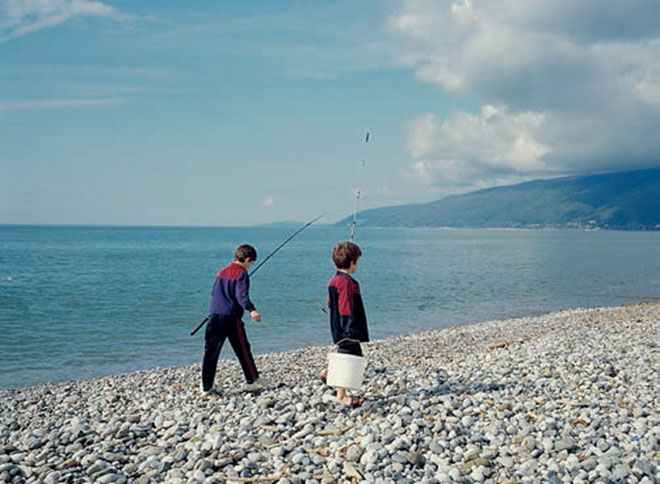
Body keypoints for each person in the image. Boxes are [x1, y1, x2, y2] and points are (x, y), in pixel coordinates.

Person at [201, 244, 266, 395]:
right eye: (251, 263)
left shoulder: (221, 272)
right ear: (248, 259)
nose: (250, 266)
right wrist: (252, 310)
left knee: (210, 353)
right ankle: (252, 381)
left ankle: (206, 387)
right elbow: (241, 296)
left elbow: (214, 293)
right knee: (243, 349)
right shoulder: (241, 274)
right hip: (230, 318)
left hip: (214, 317)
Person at [321, 241, 369, 407]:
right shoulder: (347, 282)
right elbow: (346, 305)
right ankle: (341, 395)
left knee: (348, 354)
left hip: (337, 326)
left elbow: (329, 303)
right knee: (349, 356)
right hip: (347, 326)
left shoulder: (334, 280)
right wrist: (350, 328)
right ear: (352, 262)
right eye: (357, 261)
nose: (358, 265)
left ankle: (329, 374)